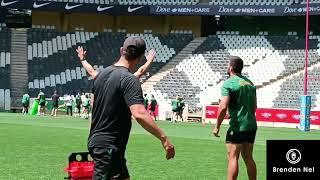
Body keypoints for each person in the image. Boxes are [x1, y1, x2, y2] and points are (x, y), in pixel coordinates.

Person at [76, 36, 175, 179]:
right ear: (140, 57)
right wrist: (164, 139)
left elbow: (92, 72)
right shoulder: (129, 80)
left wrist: (83, 60)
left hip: (99, 142)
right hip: (108, 146)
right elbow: (139, 114)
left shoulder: (101, 75)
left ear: (121, 50)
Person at [213, 56, 257, 180]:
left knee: (233, 156)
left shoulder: (229, 83)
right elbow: (254, 107)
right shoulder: (250, 83)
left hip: (238, 126)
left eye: (228, 65)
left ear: (231, 67)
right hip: (251, 125)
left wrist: (217, 126)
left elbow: (222, 107)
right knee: (248, 157)